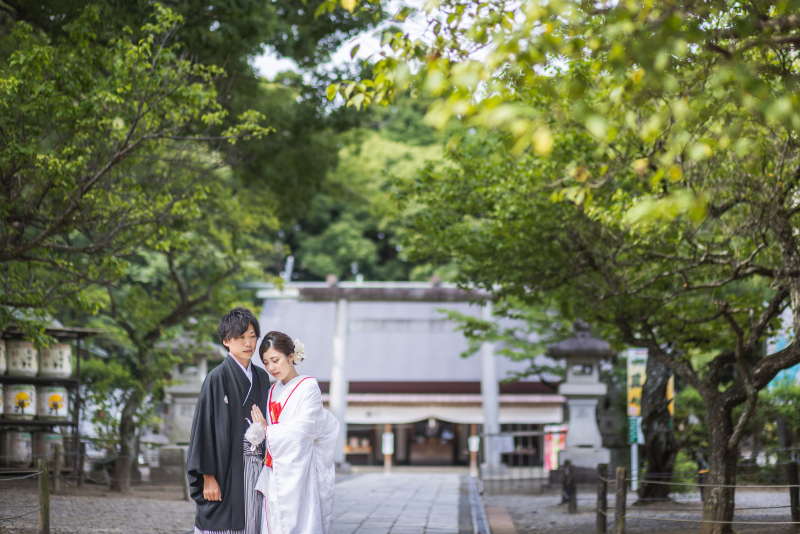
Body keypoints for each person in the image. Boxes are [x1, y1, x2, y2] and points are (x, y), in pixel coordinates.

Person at [245, 331, 340, 534]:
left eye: (275, 360)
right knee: (274, 521)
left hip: (301, 469)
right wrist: (261, 431)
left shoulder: (309, 387)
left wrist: (267, 430)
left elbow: (304, 430)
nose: (271, 368)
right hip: (276, 466)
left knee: (301, 521)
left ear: (290, 356)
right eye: (266, 363)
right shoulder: (272, 391)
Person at [186, 307, 270, 534]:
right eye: (241, 337)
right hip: (224, 468)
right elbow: (203, 429)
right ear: (226, 340)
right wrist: (208, 476)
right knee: (223, 524)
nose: (248, 343)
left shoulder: (262, 377)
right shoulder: (216, 378)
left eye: (252, 336)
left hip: (257, 467)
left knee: (253, 521)